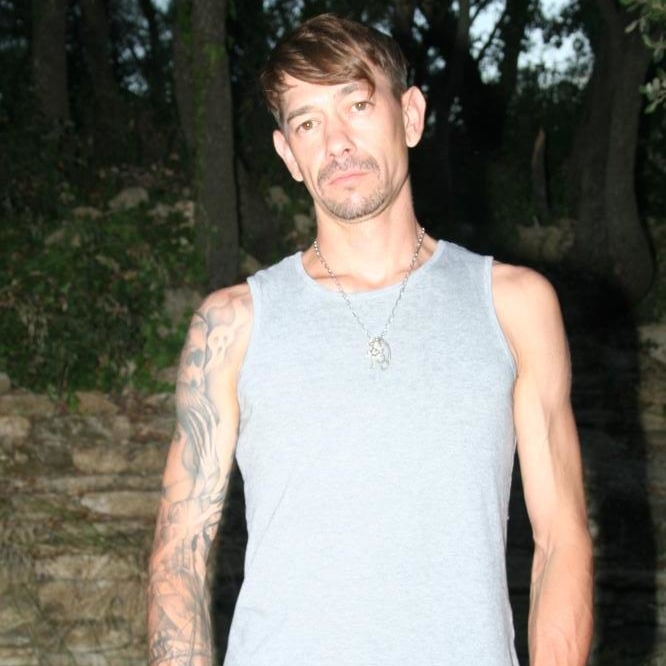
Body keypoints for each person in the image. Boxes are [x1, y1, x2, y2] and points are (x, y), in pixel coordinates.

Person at [147, 14, 593, 666]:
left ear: (410, 116)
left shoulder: (516, 306)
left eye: (356, 106)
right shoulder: (231, 325)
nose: (336, 143)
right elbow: (179, 553)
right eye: (307, 123)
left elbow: (560, 540)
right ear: (288, 155)